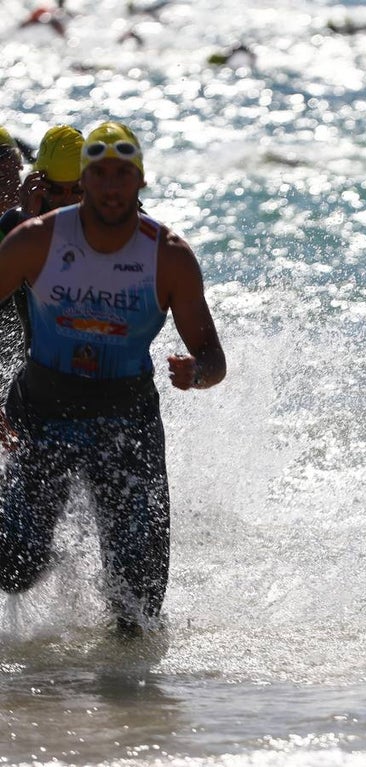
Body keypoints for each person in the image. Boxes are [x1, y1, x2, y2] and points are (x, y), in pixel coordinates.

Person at [0, 121, 227, 634]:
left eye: (120, 174)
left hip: (127, 426)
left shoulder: (168, 256)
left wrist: (199, 372)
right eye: (98, 173)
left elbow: (214, 357)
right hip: (44, 414)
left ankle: (134, 710)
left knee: (138, 612)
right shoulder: (35, 242)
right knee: (13, 568)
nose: (109, 185)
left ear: (139, 181)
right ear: (84, 181)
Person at [0, 125, 84, 386]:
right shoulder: (17, 222)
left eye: (14, 166)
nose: (66, 199)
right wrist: (28, 225)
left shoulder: (120, 224)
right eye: (56, 190)